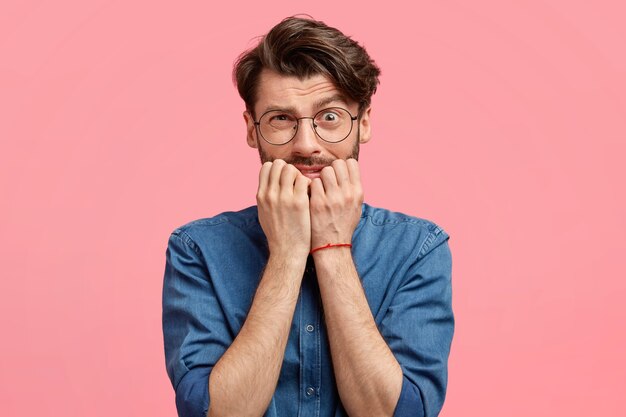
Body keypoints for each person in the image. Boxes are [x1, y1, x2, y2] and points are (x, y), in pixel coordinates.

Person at [162, 16, 454, 417]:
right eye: (281, 118)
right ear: (252, 129)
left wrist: (333, 247)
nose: (306, 144)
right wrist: (286, 253)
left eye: (329, 117)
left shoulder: (418, 248)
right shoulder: (197, 249)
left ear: (363, 123)